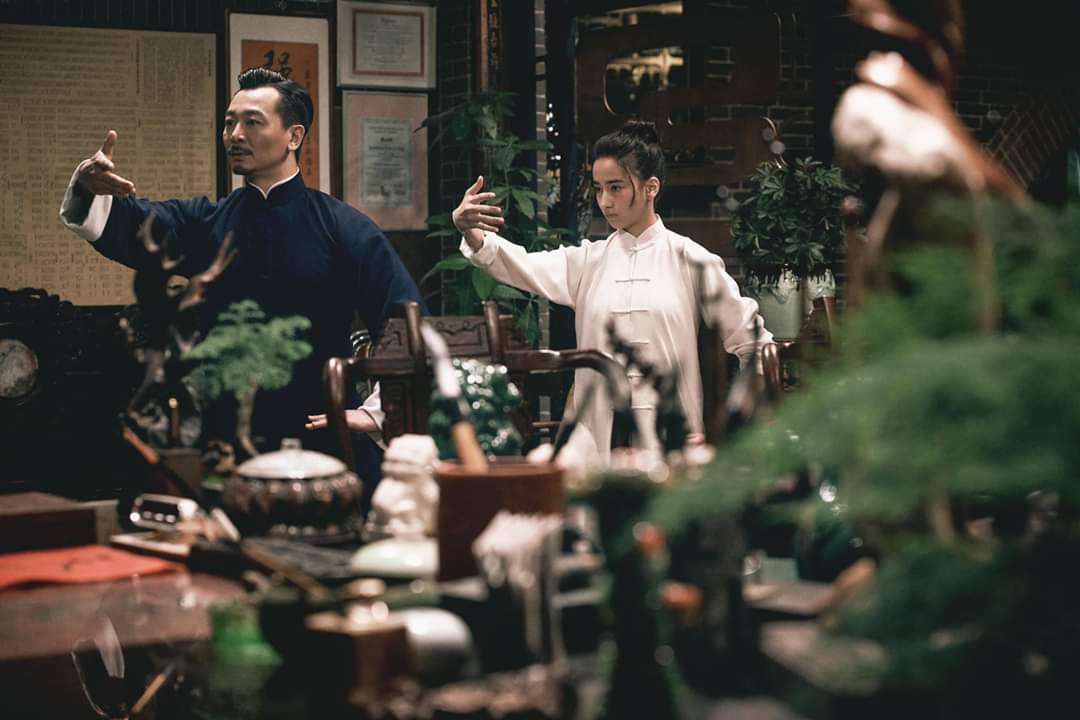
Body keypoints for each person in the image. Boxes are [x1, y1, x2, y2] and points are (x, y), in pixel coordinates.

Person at [59, 67, 423, 504]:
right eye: (230, 122)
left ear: (293, 136)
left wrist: (376, 412)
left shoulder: (343, 228)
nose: (235, 134)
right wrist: (87, 188)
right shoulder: (207, 223)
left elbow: (406, 319)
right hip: (225, 440)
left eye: (252, 122)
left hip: (321, 437)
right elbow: (135, 223)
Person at [453, 119, 773, 465]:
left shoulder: (691, 260)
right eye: (598, 188)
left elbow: (754, 344)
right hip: (594, 447)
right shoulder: (587, 261)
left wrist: (733, 426)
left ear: (651, 187)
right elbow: (519, 264)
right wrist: (472, 232)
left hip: (673, 445)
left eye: (616, 187)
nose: (604, 201)